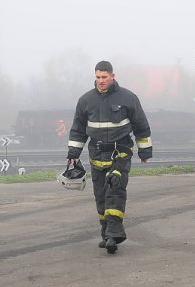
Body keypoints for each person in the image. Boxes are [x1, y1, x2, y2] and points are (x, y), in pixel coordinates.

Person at [66, 60, 152, 254]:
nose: (101, 81)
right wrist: (73, 154)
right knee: (100, 196)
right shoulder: (85, 100)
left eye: (104, 77)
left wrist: (144, 151)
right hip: (96, 155)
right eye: (98, 77)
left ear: (113, 76)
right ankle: (106, 233)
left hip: (120, 153)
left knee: (115, 189)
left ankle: (114, 235)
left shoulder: (128, 98)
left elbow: (141, 125)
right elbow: (78, 130)